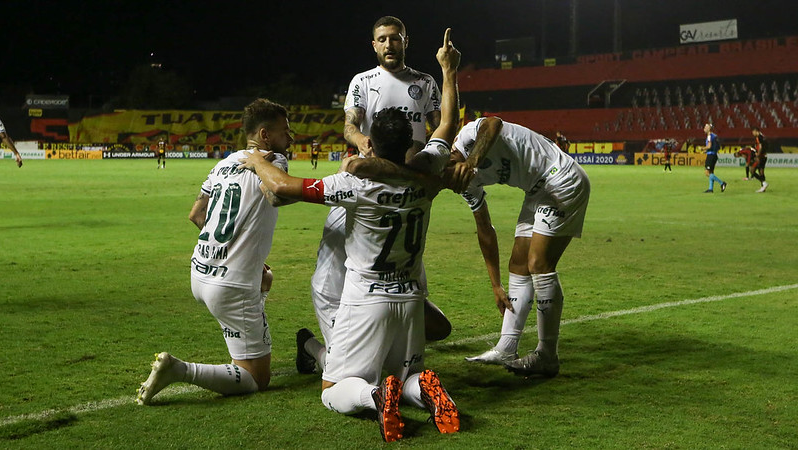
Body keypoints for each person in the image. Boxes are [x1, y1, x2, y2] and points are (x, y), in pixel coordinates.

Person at [241, 28, 462, 442]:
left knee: (333, 389)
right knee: (408, 372)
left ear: (371, 144)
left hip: (367, 298)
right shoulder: (428, 172)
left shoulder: (355, 186)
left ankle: (377, 395)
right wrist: (450, 71)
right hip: (411, 295)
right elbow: (447, 124)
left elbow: (287, 187)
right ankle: (423, 390)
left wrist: (256, 160)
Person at [298, 15, 450, 377]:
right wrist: (359, 139)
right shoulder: (362, 81)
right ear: (374, 45)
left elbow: (440, 125)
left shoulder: (424, 82)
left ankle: (385, 348)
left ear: (405, 41)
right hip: (365, 188)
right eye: (382, 39)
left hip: (406, 188)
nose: (388, 45)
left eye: (395, 39)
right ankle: (340, 350)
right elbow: (350, 123)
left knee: (406, 272)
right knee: (328, 277)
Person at [136, 99, 294, 405]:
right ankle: (179, 370)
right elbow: (276, 195)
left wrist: (231, 249)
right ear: (264, 135)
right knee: (256, 379)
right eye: (284, 131)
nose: (290, 138)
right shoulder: (273, 160)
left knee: (264, 280)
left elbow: (197, 214)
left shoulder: (222, 163)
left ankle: (253, 305)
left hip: (200, 272)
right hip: (230, 286)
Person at [446, 116, 591, 378]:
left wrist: (472, 163)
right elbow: (485, 230)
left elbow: (493, 123)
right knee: (519, 264)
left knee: (539, 263)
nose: (454, 185)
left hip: (561, 177)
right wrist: (495, 284)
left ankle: (547, 355)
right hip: (537, 190)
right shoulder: (463, 183)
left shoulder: (468, 137)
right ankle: (506, 347)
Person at [701, 123, 727, 193]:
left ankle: (722, 183)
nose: (704, 128)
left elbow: (709, 146)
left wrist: (703, 148)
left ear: (709, 128)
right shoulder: (714, 136)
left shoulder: (709, 136)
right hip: (714, 155)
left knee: (707, 172)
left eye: (706, 127)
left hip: (711, 156)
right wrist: (706, 151)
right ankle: (710, 188)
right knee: (711, 173)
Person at [751, 127, 769, 192]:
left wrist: (758, 155)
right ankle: (763, 187)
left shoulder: (759, 137)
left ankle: (764, 183)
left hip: (761, 156)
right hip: (764, 156)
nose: (752, 133)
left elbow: (760, 147)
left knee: (753, 170)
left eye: (753, 132)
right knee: (761, 171)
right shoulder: (763, 136)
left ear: (756, 131)